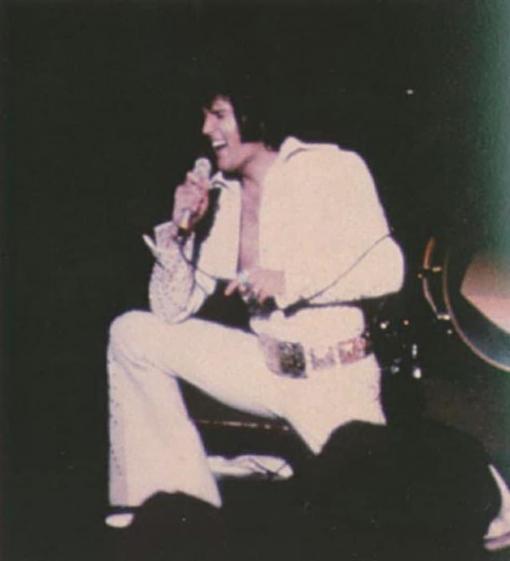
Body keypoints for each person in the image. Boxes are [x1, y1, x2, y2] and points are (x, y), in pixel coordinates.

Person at [104, 78, 510, 554]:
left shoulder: (331, 168)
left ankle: (484, 484)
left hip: (331, 378)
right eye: (204, 117)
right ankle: (175, 506)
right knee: (133, 333)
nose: (206, 129)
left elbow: (388, 270)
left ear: (253, 114)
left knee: (385, 495)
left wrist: (288, 281)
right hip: (261, 365)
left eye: (218, 115)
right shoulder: (225, 196)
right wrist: (179, 231)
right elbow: (171, 310)